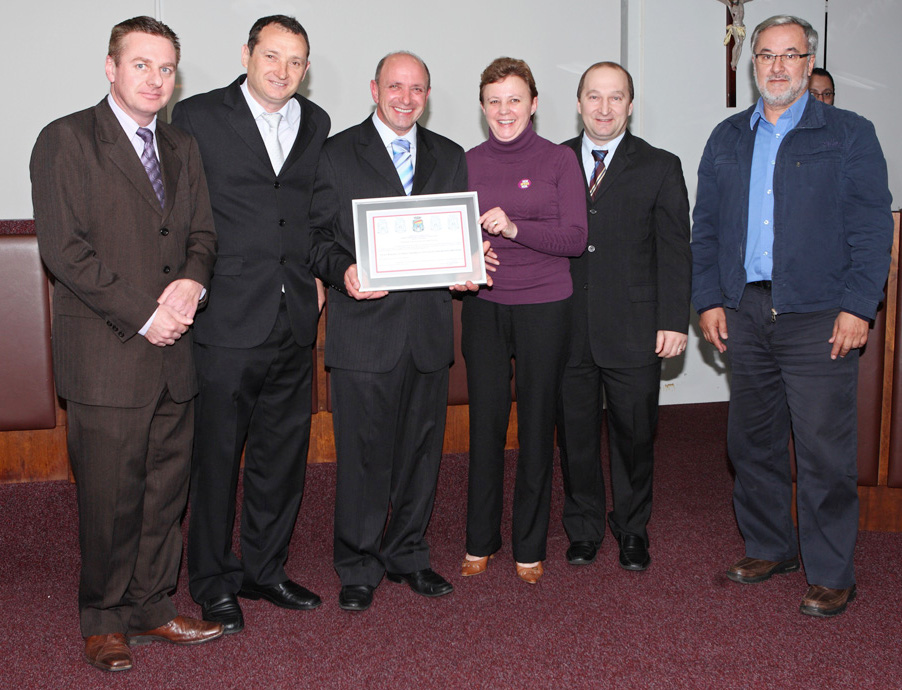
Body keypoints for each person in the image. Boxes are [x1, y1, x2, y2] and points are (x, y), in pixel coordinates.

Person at [30, 16, 222, 672]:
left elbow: (201, 235)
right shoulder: (65, 140)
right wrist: (146, 315)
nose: (155, 79)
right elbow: (65, 251)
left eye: (166, 68)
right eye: (141, 65)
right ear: (110, 67)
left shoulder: (183, 148)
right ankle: (103, 620)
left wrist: (194, 283)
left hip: (176, 357)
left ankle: (151, 607)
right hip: (111, 354)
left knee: (166, 495)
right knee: (111, 499)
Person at [692, 15, 893, 617]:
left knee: (823, 452)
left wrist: (860, 305)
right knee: (750, 442)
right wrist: (706, 298)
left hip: (818, 313)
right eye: (766, 57)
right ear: (753, 65)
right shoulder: (727, 137)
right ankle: (770, 546)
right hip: (744, 309)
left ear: (809, 65)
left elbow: (871, 227)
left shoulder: (850, 134)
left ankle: (832, 572)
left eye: (791, 56)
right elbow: (704, 229)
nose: (777, 67)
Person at [171, 15, 330, 634]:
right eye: (271, 56)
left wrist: (323, 274)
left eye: (295, 61)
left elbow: (313, 217)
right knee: (216, 460)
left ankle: (265, 570)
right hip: (226, 318)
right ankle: (213, 582)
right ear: (247, 54)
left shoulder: (314, 123)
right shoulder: (199, 117)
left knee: (281, 456)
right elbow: (182, 214)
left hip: (294, 317)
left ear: (306, 68)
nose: (282, 71)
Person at [309, 51, 475, 612]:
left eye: (418, 89)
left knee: (420, 454)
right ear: (374, 88)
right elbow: (315, 240)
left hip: (427, 333)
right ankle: (357, 564)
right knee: (362, 457)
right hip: (364, 333)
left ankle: (408, 553)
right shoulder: (335, 153)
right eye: (396, 87)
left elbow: (459, 237)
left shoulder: (449, 156)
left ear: (429, 95)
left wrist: (471, 262)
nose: (406, 98)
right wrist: (342, 270)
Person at [556, 62, 691, 572]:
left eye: (616, 98)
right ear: (579, 102)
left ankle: (632, 527)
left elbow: (676, 250)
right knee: (575, 434)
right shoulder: (556, 161)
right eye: (594, 96)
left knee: (635, 435)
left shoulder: (661, 165)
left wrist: (675, 320)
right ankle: (584, 526)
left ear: (630, 106)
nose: (604, 108)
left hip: (636, 329)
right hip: (566, 326)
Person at [460, 57, 587, 584]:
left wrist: (515, 229)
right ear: (483, 106)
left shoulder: (559, 161)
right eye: (494, 101)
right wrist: (470, 257)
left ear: (533, 104)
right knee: (485, 426)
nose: (504, 110)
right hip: (485, 307)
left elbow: (575, 239)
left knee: (537, 425)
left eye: (515, 99)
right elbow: (451, 233)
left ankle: (529, 545)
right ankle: (479, 539)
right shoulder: (465, 161)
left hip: (545, 306)